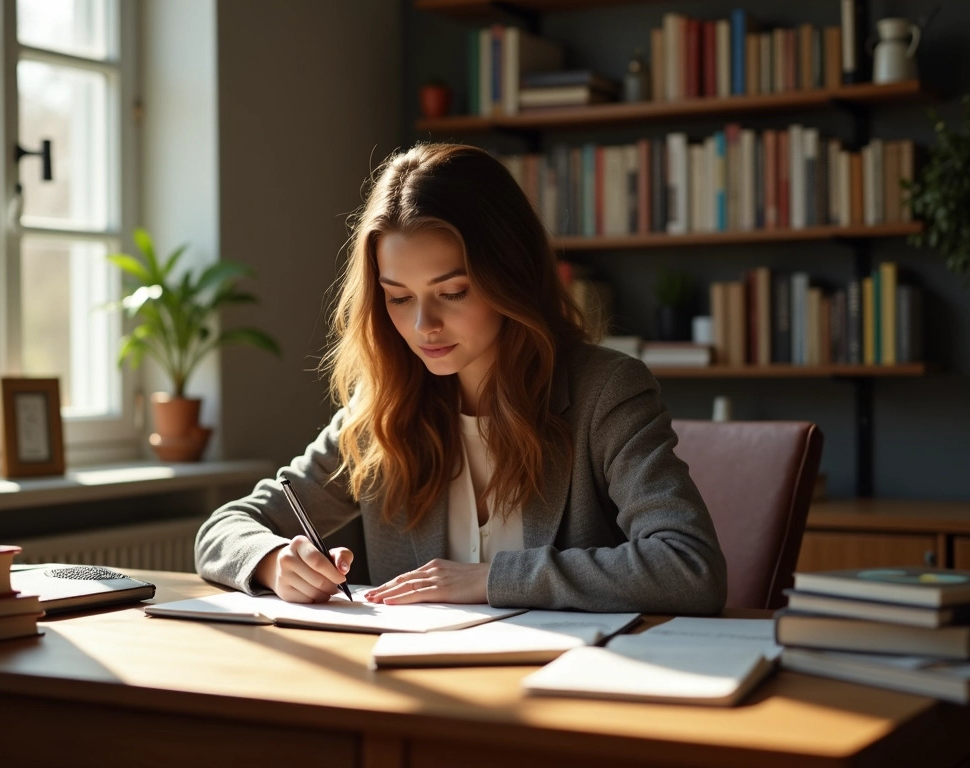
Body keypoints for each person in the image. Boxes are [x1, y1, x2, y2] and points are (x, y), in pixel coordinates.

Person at [195, 142, 726, 614]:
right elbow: (222, 529)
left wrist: (491, 580)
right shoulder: (381, 409)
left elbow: (688, 566)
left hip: (572, 688)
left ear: (510, 276)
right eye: (399, 297)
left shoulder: (605, 392)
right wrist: (271, 560)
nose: (423, 326)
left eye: (452, 292)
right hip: (423, 697)